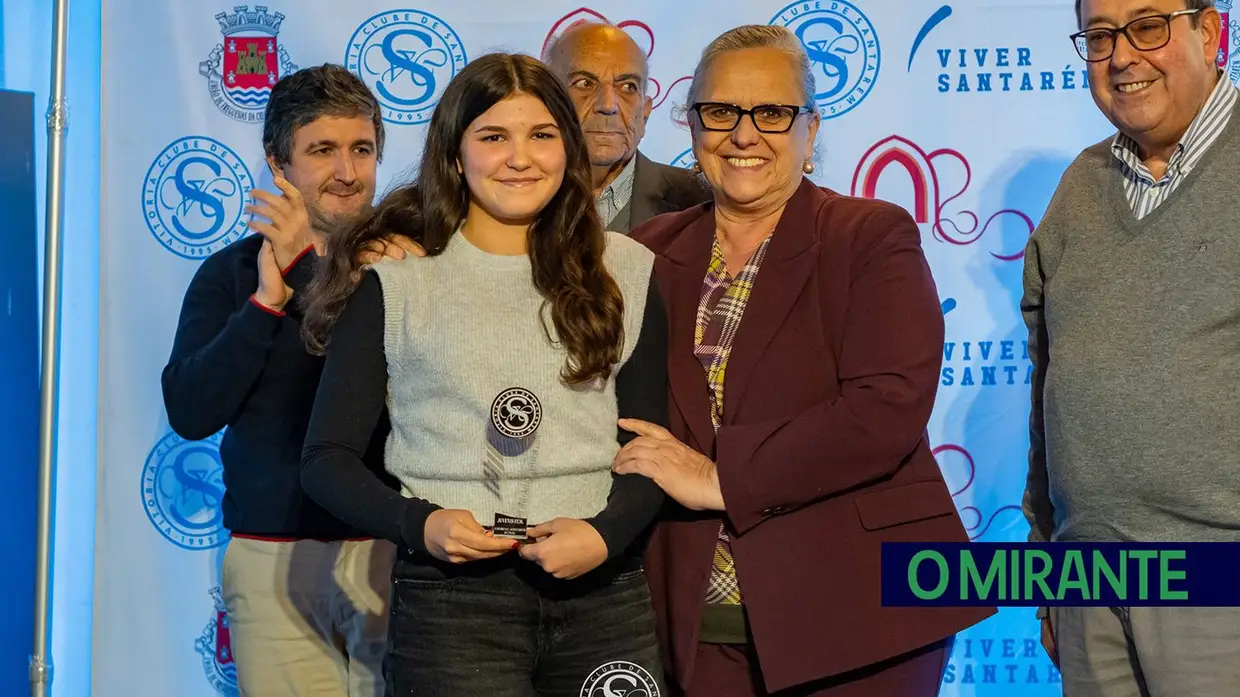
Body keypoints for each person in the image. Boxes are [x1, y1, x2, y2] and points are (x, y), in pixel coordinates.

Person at [620, 25, 994, 696]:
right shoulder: (643, 250)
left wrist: (721, 477)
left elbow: (885, 409)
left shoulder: (868, 235)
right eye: (720, 111)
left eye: (771, 112)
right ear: (693, 122)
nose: (742, 134)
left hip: (858, 616)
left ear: (811, 129)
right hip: (691, 623)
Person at [299, 52, 670, 696]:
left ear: (568, 148)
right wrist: (420, 523)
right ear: (455, 151)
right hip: (452, 606)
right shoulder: (394, 282)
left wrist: (604, 536)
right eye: (494, 136)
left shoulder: (630, 271)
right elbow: (325, 460)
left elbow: (650, 448)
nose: (519, 158)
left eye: (542, 135)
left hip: (604, 595)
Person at [1023, 1, 1240, 694]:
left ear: (1210, 32)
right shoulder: (1078, 188)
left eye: (1148, 26)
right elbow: (1046, 389)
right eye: (1100, 35)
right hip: (1088, 581)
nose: (1122, 56)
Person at [161, 64, 396, 696]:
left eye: (362, 149)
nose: (347, 172)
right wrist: (267, 303)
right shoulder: (231, 274)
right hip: (272, 555)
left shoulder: (413, 267)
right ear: (278, 165)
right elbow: (190, 410)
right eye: (322, 150)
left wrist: (306, 272)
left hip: (395, 551)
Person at [541, 21, 711, 232]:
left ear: (645, 112)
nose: (608, 105)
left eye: (628, 87)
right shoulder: (513, 194)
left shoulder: (703, 203)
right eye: (585, 83)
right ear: (546, 102)